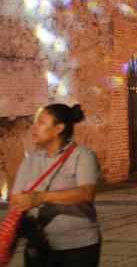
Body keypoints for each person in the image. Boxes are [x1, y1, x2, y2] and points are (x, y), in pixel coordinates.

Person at [11, 104, 101, 266]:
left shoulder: (82, 156)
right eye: (34, 123)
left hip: (77, 247)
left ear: (59, 128)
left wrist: (42, 197)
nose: (34, 128)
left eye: (41, 123)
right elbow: (16, 197)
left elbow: (86, 193)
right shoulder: (30, 159)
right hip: (39, 244)